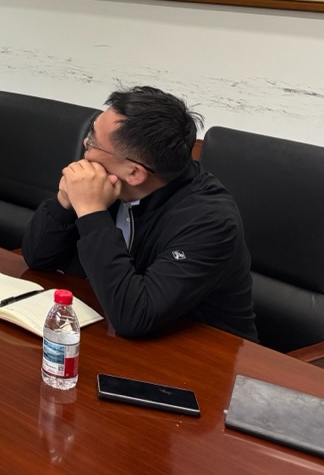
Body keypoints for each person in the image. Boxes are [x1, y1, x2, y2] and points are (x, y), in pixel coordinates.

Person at [21, 86, 256, 341]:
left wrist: (91, 213)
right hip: (109, 331)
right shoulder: (108, 181)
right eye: (90, 133)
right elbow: (38, 258)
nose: (85, 145)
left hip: (201, 353)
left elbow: (134, 316)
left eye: (94, 142)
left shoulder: (211, 222)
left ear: (134, 173)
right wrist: (65, 201)